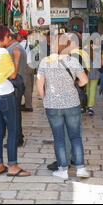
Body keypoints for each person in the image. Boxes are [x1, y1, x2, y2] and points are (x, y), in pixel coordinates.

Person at [36, 34, 90, 180]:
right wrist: (76, 84)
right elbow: (84, 80)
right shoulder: (72, 61)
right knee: (75, 137)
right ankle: (80, 168)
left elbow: (39, 85)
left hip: (53, 105)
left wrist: (45, 99)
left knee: (59, 138)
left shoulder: (45, 62)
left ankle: (62, 170)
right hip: (72, 103)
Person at [0, 25, 31, 177]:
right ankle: (12, 166)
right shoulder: (3, 53)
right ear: (1, 37)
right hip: (4, 93)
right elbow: (12, 75)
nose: (9, 38)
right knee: (12, 130)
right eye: (7, 36)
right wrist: (16, 59)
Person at [5, 29, 27, 147]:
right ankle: (18, 136)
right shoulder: (18, 47)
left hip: (14, 83)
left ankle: (16, 139)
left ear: (9, 38)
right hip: (18, 82)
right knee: (16, 113)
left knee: (13, 114)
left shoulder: (12, 49)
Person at [17, 29, 34, 112]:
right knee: (30, 85)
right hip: (32, 65)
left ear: (21, 36)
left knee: (27, 86)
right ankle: (28, 103)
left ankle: (28, 106)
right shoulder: (31, 43)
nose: (17, 37)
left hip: (26, 65)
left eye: (18, 35)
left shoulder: (20, 45)